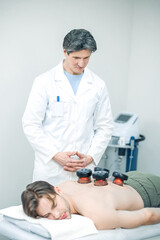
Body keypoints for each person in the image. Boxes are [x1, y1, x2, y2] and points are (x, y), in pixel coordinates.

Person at [22, 29, 113, 185]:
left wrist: (90, 157)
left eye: (86, 58)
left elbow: (105, 126)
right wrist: (56, 155)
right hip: (51, 169)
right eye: (76, 57)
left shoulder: (98, 85)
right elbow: (31, 124)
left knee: (80, 208)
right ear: (65, 52)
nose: (81, 63)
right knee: (48, 208)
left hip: (83, 169)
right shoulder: (44, 82)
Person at [21, 171, 160, 230]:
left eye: (55, 206)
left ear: (57, 190)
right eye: (47, 215)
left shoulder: (97, 214)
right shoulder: (62, 187)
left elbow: (148, 215)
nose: (56, 215)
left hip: (150, 191)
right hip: (128, 178)